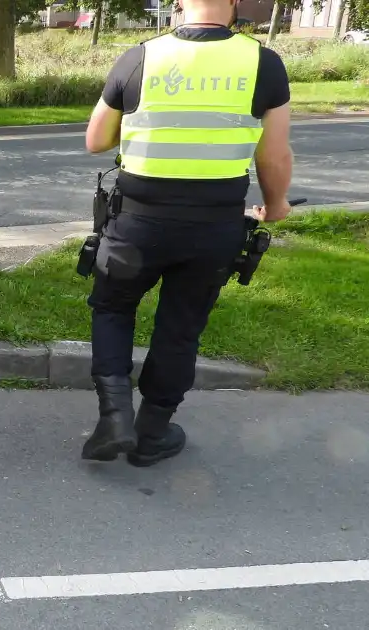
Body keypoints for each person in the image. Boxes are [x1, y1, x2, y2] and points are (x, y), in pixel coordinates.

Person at [79, 0, 294, 466]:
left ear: (178, 3)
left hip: (136, 222)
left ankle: (113, 417)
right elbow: (273, 155)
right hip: (213, 226)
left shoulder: (140, 57)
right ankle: (153, 432)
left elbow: (96, 140)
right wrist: (275, 205)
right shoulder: (263, 63)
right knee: (181, 327)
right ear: (233, 3)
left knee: (113, 308)